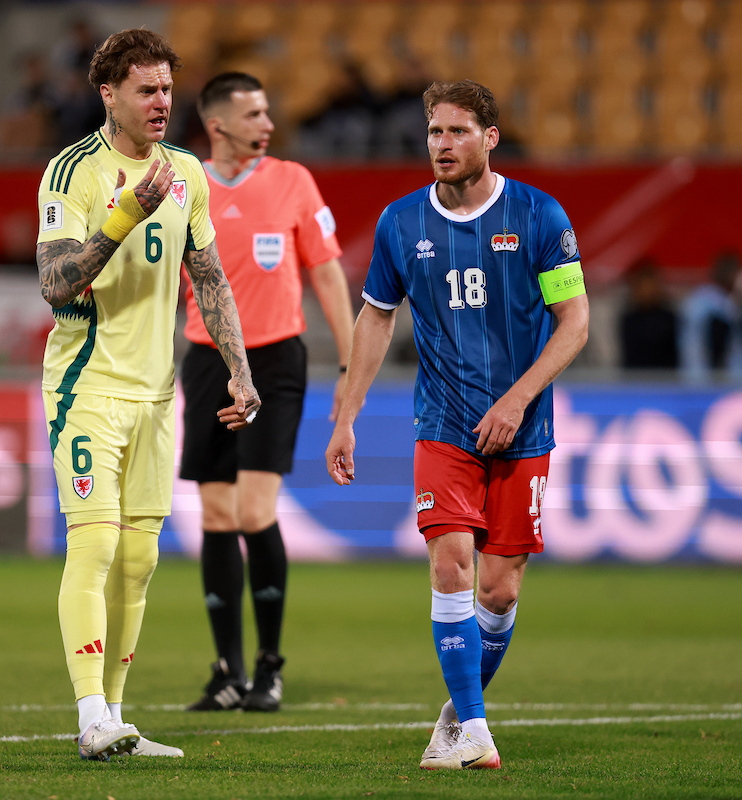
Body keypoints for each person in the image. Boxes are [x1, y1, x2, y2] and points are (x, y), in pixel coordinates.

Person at [325, 80, 589, 771]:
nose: (442, 145)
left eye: (458, 132)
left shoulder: (538, 215)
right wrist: (346, 414)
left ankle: (455, 714)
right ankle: (475, 727)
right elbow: (377, 315)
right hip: (442, 422)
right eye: (435, 132)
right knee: (451, 563)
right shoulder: (401, 223)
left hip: (523, 428)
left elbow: (574, 322)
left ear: (490, 138)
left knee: (499, 592)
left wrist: (518, 398)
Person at [35, 28, 260, 761]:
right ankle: (89, 712)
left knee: (139, 562)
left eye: (168, 88)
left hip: (157, 395)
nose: (162, 102)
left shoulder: (187, 171)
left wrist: (239, 366)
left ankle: (116, 720)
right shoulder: (74, 172)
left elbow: (210, 276)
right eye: (147, 90)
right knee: (95, 542)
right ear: (109, 93)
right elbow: (55, 283)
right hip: (87, 385)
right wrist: (124, 216)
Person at [180, 72, 355, 712]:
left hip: (277, 360)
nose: (268, 123)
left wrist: (349, 365)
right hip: (207, 362)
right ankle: (226, 670)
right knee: (218, 516)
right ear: (218, 123)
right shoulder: (184, 184)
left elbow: (329, 278)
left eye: (267, 112)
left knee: (256, 511)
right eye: (254, 113)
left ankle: (269, 667)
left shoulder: (293, 181)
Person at [679, 250, 742, 380]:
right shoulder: (700, 303)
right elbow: (693, 349)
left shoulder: (732, 303)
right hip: (702, 383)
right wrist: (698, 382)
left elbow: (737, 351)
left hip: (729, 384)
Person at [618, 259, 679, 370]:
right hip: (635, 380)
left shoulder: (670, 319)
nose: (647, 292)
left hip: (667, 380)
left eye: (651, 285)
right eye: (642, 286)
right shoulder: (629, 320)